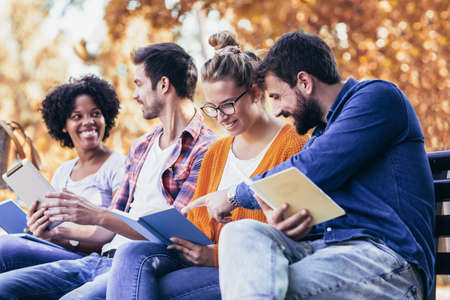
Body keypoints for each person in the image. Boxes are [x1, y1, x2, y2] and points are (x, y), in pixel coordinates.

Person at [185, 32, 435, 299]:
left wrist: (235, 196)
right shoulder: (320, 135)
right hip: (330, 250)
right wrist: (290, 225)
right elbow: (319, 199)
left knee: (265, 285)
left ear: (304, 82)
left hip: (389, 261)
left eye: (278, 96)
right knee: (239, 232)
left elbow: (312, 167)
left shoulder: (377, 98)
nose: (278, 110)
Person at [0, 43, 216, 300]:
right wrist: (59, 232)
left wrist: (97, 215)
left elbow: (176, 234)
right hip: (101, 259)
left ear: (163, 84)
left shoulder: (206, 149)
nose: (135, 95)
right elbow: (113, 223)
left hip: (144, 259)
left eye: (138, 83)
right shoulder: (142, 147)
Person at [106, 31, 309, 300]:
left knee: (137, 287)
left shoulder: (293, 145)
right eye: (212, 108)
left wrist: (213, 254)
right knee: (131, 252)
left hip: (252, 267)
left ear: (255, 93)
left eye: (227, 105)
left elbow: (291, 233)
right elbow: (201, 226)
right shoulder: (216, 153)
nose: (221, 117)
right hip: (201, 262)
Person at [0, 74, 125, 272]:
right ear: (64, 126)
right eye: (77, 116)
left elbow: (116, 230)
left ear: (105, 117)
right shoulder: (64, 171)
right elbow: (52, 228)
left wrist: (61, 235)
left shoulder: (118, 166)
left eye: (95, 113)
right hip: (58, 250)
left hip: (91, 259)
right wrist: (38, 227)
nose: (88, 121)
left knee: (5, 249)